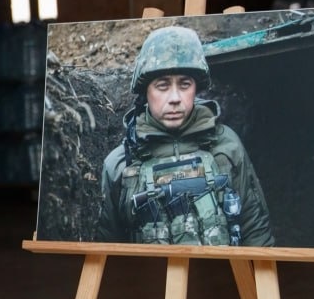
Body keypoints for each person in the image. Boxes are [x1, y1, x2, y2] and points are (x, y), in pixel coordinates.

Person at [96, 24, 273, 246]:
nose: (175, 98)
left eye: (185, 84)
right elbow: (105, 249)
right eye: (162, 86)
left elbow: (256, 230)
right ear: (145, 92)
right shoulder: (119, 165)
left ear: (196, 88)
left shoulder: (226, 146)